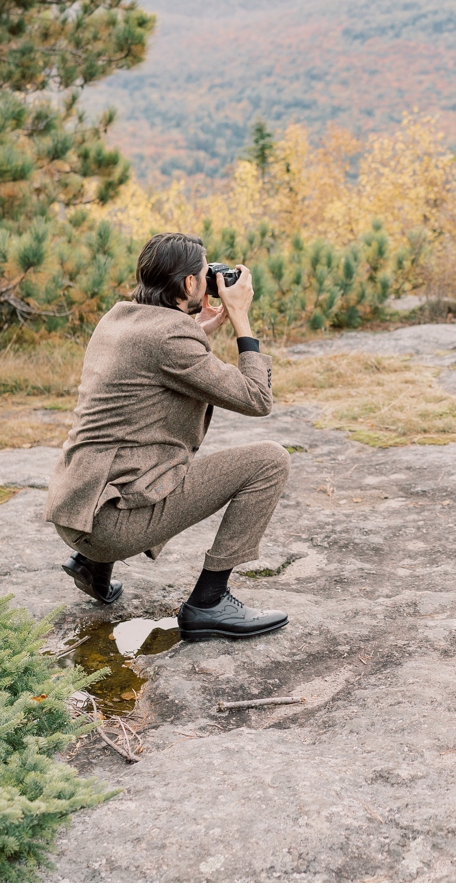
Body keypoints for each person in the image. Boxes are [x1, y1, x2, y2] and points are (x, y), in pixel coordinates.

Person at [45, 232, 292, 640]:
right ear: (190, 285)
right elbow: (257, 398)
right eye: (204, 273)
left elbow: (153, 357)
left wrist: (200, 328)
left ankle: (93, 567)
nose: (211, 278)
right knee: (270, 459)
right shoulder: (173, 338)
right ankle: (210, 602)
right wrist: (241, 318)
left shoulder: (119, 318)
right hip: (108, 527)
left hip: (75, 511)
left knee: (131, 446)